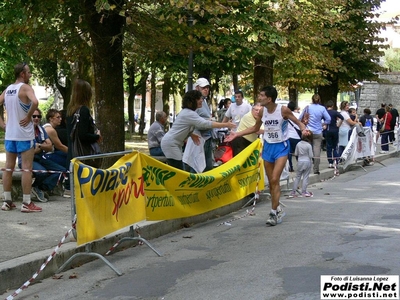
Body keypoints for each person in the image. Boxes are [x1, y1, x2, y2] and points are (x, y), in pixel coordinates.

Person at [224, 86, 308, 226]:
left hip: (281, 146)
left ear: (269, 98)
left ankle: (273, 213)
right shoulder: (262, 111)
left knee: (275, 179)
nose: (259, 97)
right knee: (271, 182)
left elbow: (298, 122)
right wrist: (237, 133)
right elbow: (255, 129)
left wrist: (304, 129)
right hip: (268, 146)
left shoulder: (283, 110)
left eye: (262, 95)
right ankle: (277, 208)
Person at [0, 62, 41, 212]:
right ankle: (26, 202)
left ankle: (7, 201)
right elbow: (35, 102)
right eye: (29, 72)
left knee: (8, 168)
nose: (30, 75)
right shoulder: (25, 88)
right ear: (22, 74)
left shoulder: (9, 89)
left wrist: (2, 124)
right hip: (24, 135)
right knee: (26, 168)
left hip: (10, 134)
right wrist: (29, 116)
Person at [161, 90, 235, 170]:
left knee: (177, 170)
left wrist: (191, 134)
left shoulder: (187, 112)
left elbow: (181, 127)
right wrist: (226, 124)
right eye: (199, 99)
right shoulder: (189, 113)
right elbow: (205, 124)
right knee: (178, 170)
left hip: (172, 143)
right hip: (171, 144)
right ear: (192, 101)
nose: (201, 100)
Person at [65, 79, 102, 197]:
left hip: (72, 152)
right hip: (83, 154)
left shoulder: (70, 111)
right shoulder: (84, 111)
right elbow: (83, 135)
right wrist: (96, 136)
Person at [24, 108, 67, 202]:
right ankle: (38, 188)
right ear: (51, 119)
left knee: (62, 169)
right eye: (34, 116)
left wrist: (39, 146)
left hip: (41, 157)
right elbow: (28, 151)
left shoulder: (41, 130)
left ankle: (42, 188)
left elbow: (49, 146)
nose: (36, 118)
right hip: (31, 159)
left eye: (38, 116)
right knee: (43, 171)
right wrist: (73, 154)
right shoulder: (28, 130)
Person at [298, 94, 331, 175]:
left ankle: (304, 168)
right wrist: (323, 124)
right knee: (317, 151)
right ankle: (316, 169)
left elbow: (299, 118)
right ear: (319, 100)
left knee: (305, 150)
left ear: (312, 100)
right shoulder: (322, 108)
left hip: (308, 131)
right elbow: (328, 119)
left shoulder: (307, 108)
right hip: (318, 131)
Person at [194, 78, 214, 171]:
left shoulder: (204, 100)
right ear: (197, 88)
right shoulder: (194, 102)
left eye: (207, 87)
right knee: (199, 167)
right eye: (203, 88)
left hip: (207, 138)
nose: (206, 89)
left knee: (207, 166)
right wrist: (210, 121)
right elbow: (194, 121)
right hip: (199, 139)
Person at [289, 130, 314, 198]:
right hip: (307, 161)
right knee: (305, 177)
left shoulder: (298, 144)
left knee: (298, 177)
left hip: (300, 161)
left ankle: (293, 191)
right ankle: (304, 191)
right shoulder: (309, 145)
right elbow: (311, 155)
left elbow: (296, 153)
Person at [325, 100, 343, 168]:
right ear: (332, 106)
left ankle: (330, 162)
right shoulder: (335, 112)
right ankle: (336, 160)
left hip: (328, 130)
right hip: (335, 129)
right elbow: (342, 118)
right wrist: (339, 125)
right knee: (335, 146)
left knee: (328, 146)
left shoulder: (325, 112)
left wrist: (324, 125)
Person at [286, 101, 301, 172]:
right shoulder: (298, 115)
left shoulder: (286, 116)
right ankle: (300, 166)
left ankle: (290, 167)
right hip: (297, 136)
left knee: (289, 153)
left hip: (288, 136)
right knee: (298, 153)